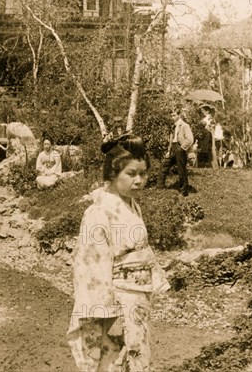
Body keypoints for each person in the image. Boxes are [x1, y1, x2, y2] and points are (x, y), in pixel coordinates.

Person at [68, 134, 170, 371]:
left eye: (143, 174)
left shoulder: (132, 205)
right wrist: (108, 313)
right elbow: (91, 266)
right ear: (113, 174)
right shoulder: (99, 212)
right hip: (117, 301)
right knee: (116, 360)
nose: (139, 181)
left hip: (137, 298)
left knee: (138, 355)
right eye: (131, 174)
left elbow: (141, 251)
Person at [157, 108, 194, 196]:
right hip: (173, 148)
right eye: (171, 115)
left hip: (180, 148)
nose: (172, 117)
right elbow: (171, 140)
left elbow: (190, 139)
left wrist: (182, 148)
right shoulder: (173, 126)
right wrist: (169, 151)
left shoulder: (184, 125)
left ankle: (184, 191)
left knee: (181, 170)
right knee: (163, 166)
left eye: (174, 115)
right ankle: (160, 187)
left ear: (179, 115)